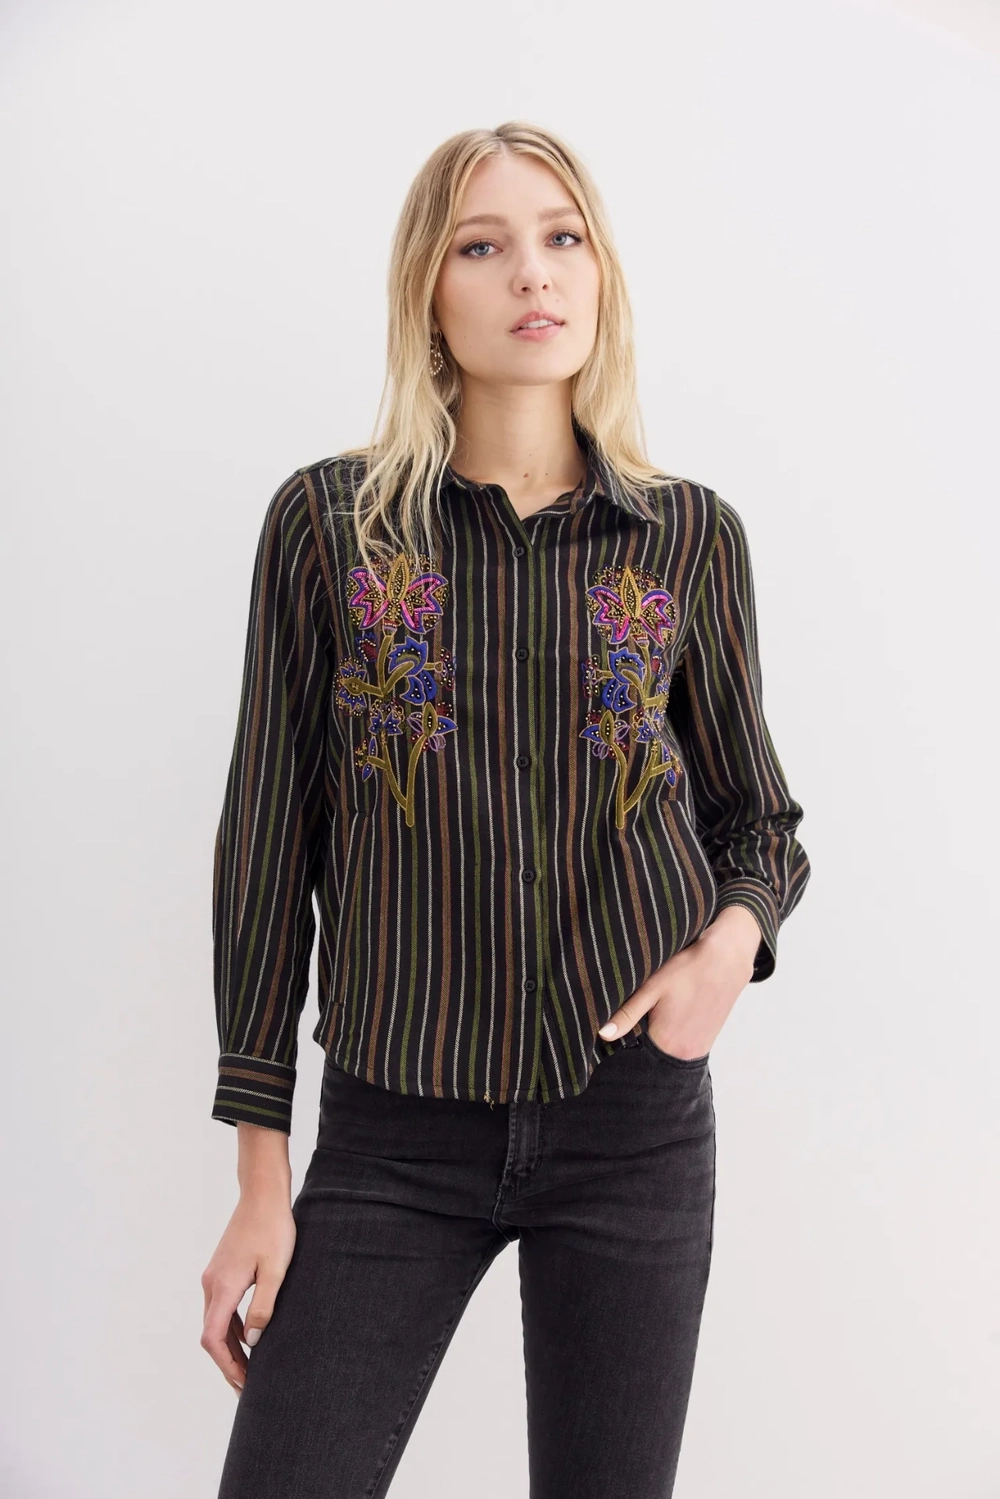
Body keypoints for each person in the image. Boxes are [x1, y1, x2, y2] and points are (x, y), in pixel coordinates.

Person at [201, 121, 811, 1499]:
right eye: (483, 245)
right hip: (394, 1128)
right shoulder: (333, 528)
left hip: (632, 1124)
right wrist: (260, 1177)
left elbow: (758, 820)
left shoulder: (689, 538)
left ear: (599, 276)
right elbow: (266, 846)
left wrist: (727, 951)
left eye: (562, 237)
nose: (533, 272)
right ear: (429, 291)